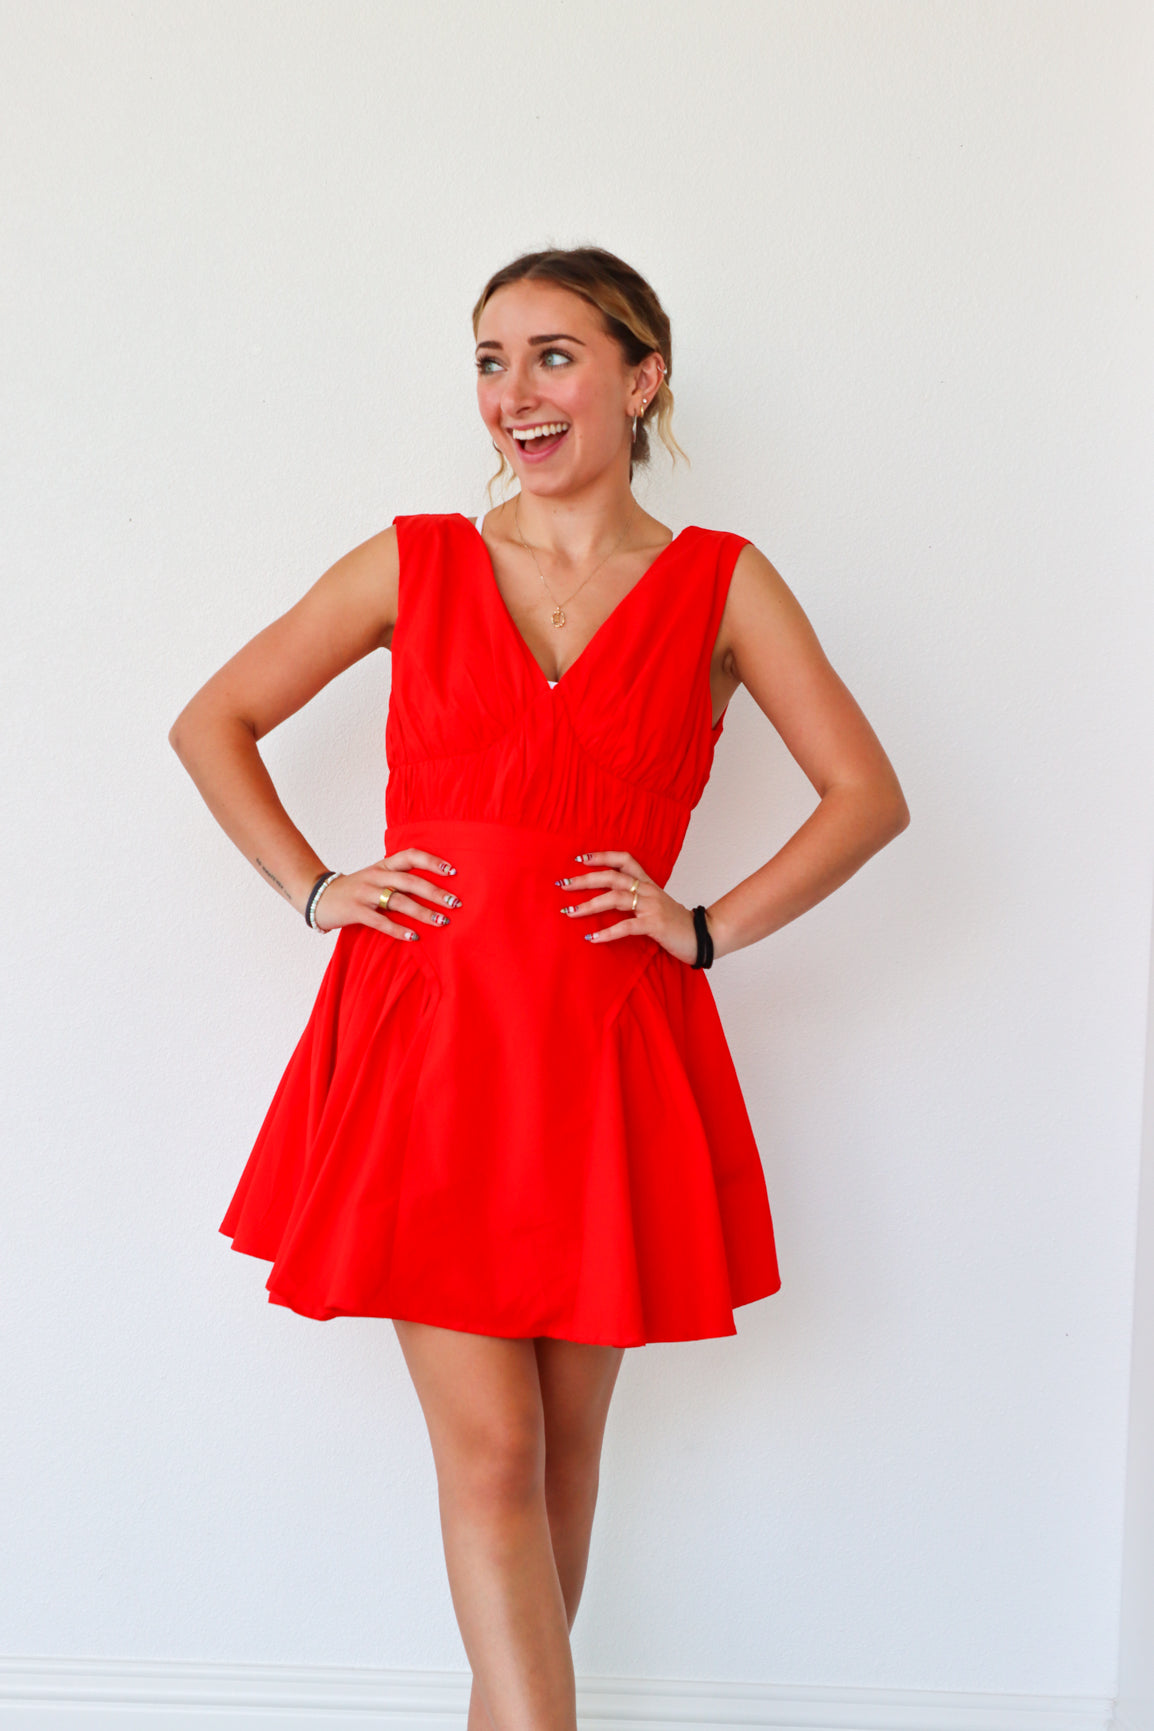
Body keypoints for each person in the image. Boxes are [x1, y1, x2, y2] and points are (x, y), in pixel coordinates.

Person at [169, 245, 909, 1731]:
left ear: (642, 381)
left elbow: (864, 796)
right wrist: (319, 888)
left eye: (553, 355)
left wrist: (703, 927)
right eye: (491, 359)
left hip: (605, 1043)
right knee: (493, 1460)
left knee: (565, 1465)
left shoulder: (717, 582)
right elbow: (214, 722)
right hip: (425, 1039)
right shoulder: (414, 560)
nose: (514, 391)